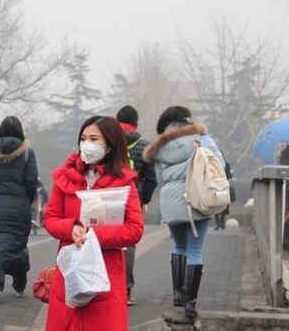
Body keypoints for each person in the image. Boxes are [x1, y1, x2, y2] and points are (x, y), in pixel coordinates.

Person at [43, 116, 144, 331]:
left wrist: (94, 235)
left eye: (93, 139)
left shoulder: (124, 180)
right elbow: (50, 219)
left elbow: (134, 229)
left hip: (107, 271)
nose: (86, 144)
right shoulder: (65, 177)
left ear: (109, 144)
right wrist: (71, 228)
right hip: (70, 269)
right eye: (83, 138)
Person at [143, 106, 224, 319]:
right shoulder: (203, 139)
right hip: (198, 198)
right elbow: (219, 165)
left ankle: (178, 294)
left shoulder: (160, 146)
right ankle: (190, 302)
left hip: (171, 201)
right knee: (195, 252)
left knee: (179, 245)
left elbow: (160, 180)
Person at [0, 116, 38, 303]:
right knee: (18, 245)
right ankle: (19, 285)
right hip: (20, 208)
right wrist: (25, 202)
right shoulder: (28, 154)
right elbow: (31, 183)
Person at [116, 105, 158, 306]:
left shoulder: (108, 142)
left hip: (109, 198)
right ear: (136, 124)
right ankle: (125, 291)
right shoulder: (146, 146)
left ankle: (105, 288)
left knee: (105, 240)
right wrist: (144, 199)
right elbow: (152, 179)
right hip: (133, 200)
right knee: (128, 243)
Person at [214, 157, 233, 230]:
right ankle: (221, 222)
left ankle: (218, 222)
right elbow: (230, 175)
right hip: (224, 185)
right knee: (223, 203)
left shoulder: (213, 163)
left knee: (216, 203)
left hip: (216, 185)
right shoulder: (226, 164)